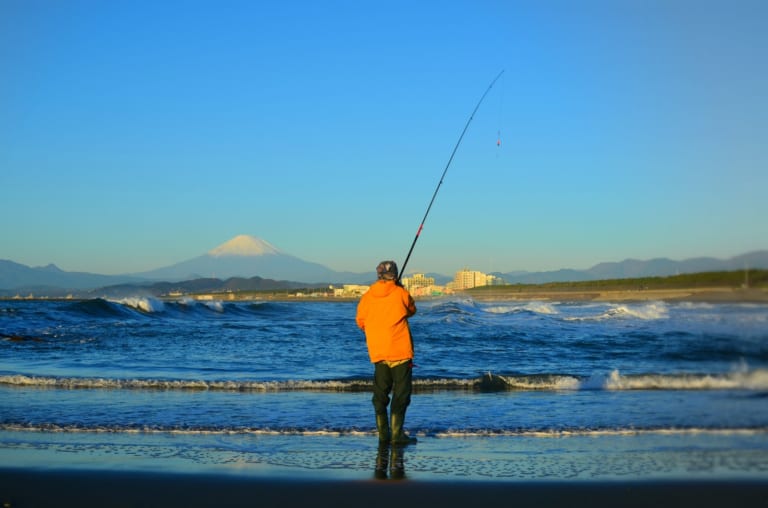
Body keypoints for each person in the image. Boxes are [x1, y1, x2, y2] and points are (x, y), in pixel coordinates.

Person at [355, 260, 417, 445]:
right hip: (400, 352)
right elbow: (411, 310)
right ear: (395, 275)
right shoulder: (401, 293)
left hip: (378, 353)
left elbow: (360, 321)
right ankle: (397, 435)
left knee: (380, 396)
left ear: (378, 275)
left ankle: (383, 435)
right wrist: (400, 290)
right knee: (401, 395)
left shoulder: (367, 296)